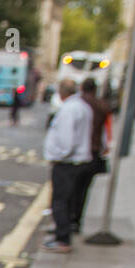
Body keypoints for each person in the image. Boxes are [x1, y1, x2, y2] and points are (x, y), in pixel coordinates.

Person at [42, 79, 94, 253]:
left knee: (60, 201)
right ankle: (63, 233)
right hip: (80, 161)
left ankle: (62, 239)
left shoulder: (69, 109)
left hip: (67, 163)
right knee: (69, 200)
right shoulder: (82, 106)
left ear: (62, 92)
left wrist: (57, 155)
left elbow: (66, 140)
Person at [71, 77, 110, 233]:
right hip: (93, 152)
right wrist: (105, 147)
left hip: (77, 153)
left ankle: (68, 220)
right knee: (84, 189)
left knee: (71, 188)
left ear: (82, 88)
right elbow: (106, 132)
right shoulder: (102, 106)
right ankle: (77, 220)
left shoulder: (77, 104)